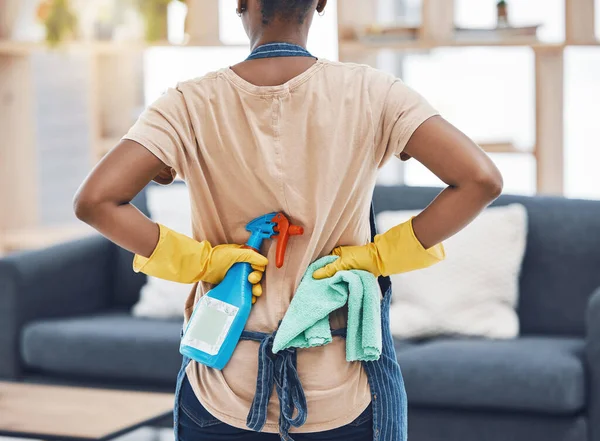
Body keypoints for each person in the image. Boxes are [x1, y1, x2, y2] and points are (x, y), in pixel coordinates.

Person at [74, 1, 503, 440]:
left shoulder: (186, 104)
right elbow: (479, 179)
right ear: (320, 3)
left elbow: (96, 201)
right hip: (342, 388)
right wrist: (377, 257)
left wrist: (203, 263)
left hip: (222, 386)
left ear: (240, 3)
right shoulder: (374, 92)